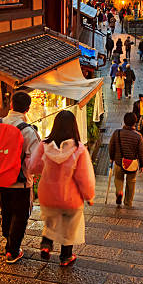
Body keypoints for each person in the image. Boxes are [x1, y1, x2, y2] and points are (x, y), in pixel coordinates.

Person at [28, 110, 95, 267]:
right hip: (70, 197)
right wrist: (89, 195)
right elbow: (84, 178)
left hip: (48, 195)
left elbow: (33, 167)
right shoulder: (79, 150)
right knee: (69, 227)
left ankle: (46, 243)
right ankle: (65, 256)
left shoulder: (44, 145)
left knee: (51, 219)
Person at [0, 91, 40, 264]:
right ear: (27, 109)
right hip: (20, 182)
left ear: (10, 105)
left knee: (6, 209)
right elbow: (36, 162)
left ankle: (8, 239)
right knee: (21, 214)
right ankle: (12, 250)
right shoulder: (28, 131)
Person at [109, 112, 143, 207]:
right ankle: (128, 202)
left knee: (118, 179)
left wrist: (111, 157)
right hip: (132, 163)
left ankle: (119, 192)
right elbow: (141, 152)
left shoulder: (117, 133)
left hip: (119, 162)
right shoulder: (138, 136)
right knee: (131, 182)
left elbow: (111, 146)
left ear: (124, 121)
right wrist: (142, 164)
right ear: (135, 122)